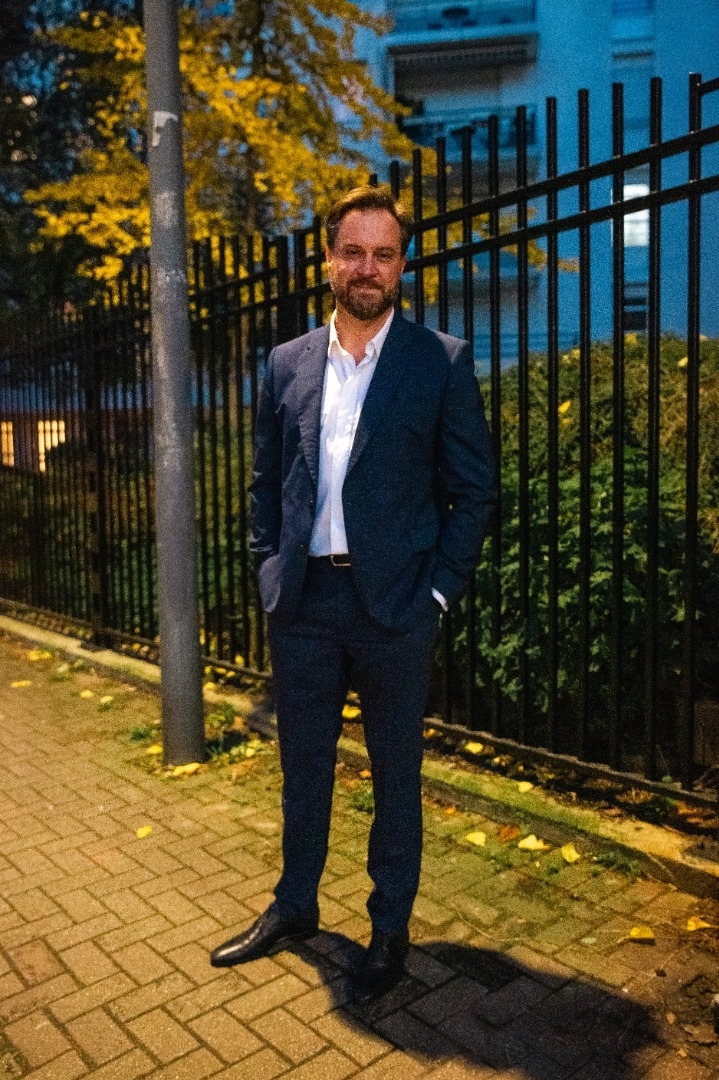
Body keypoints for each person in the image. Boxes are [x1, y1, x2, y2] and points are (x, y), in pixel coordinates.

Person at [210, 186, 496, 1003]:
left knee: (395, 777)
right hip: (302, 605)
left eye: (383, 254)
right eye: (353, 252)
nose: (367, 267)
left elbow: (474, 490)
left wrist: (436, 594)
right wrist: (269, 568)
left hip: (395, 610)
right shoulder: (286, 362)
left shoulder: (438, 360)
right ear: (328, 260)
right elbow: (266, 482)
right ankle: (294, 905)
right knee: (302, 769)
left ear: (400, 266)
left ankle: (388, 929)